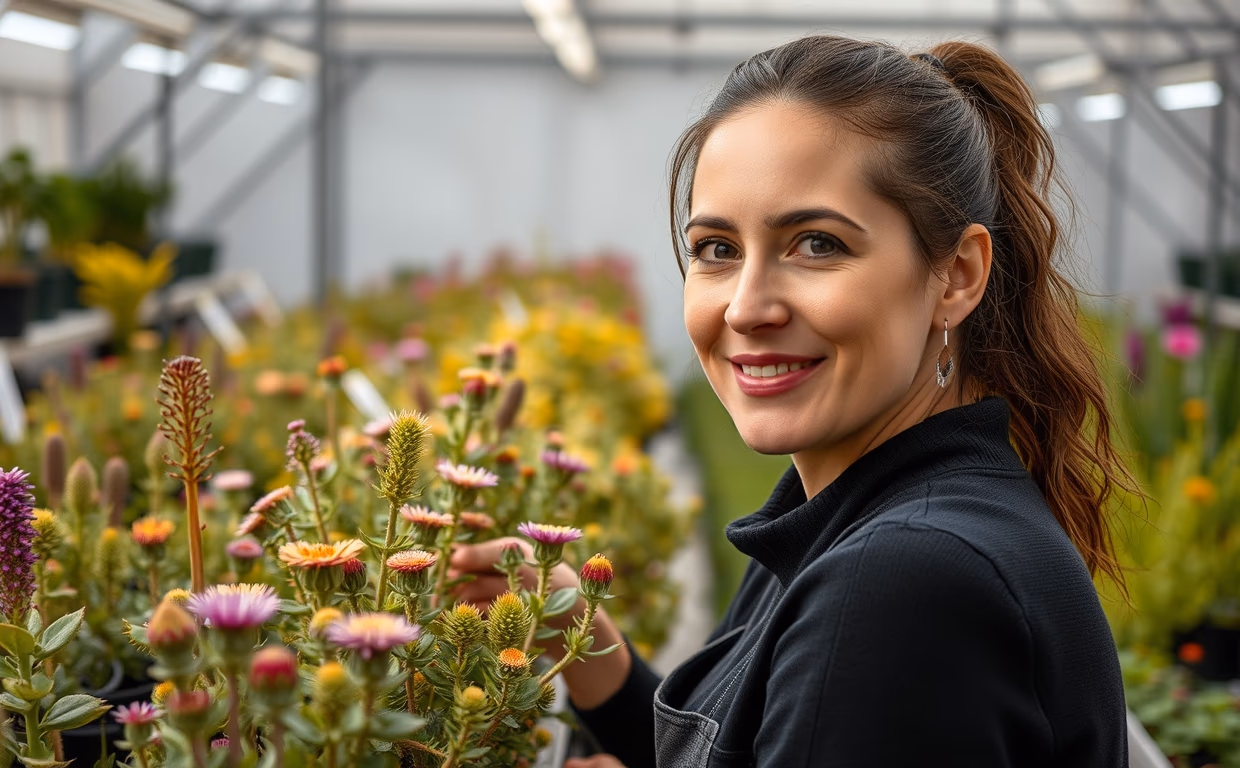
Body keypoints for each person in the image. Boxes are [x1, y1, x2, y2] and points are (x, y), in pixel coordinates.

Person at [449, 34, 1138, 767]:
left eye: (817, 244)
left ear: (957, 275)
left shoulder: (900, 587)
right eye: (717, 249)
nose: (747, 308)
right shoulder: (850, 518)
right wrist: (583, 645)